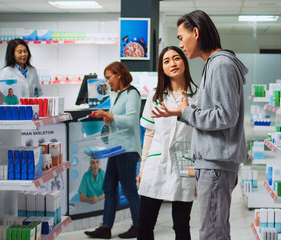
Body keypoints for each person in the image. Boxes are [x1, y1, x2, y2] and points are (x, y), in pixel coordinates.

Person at [151, 10, 249, 240]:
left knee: (212, 233)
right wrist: (186, 111)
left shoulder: (221, 65)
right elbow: (216, 113)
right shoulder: (214, 65)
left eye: (181, 37)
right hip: (214, 163)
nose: (181, 44)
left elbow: (225, 117)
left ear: (195, 33)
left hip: (216, 164)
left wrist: (186, 112)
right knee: (213, 229)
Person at [137, 46, 198, 240]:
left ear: (184, 62)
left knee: (181, 225)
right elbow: (149, 134)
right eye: (166, 61)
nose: (172, 63)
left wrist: (199, 172)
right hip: (156, 163)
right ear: (161, 68)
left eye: (176, 58)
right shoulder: (155, 96)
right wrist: (143, 167)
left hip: (186, 163)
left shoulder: (198, 96)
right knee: (145, 225)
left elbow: (201, 135)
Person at [84, 61, 141, 239]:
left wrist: (108, 115)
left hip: (127, 149)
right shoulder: (117, 94)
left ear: (119, 74)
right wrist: (108, 119)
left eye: (109, 78)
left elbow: (131, 120)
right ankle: (106, 228)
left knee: (129, 189)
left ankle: (139, 226)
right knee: (108, 186)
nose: (108, 82)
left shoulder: (133, 93)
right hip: (116, 148)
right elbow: (118, 118)